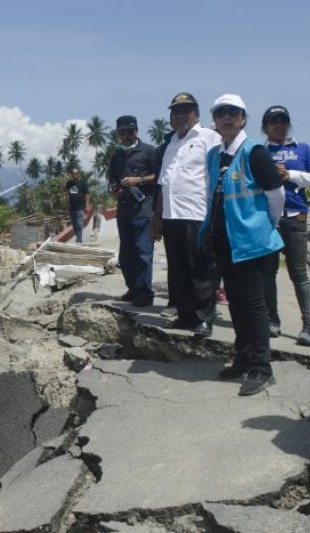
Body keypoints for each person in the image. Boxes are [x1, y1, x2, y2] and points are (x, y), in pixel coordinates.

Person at [199, 94, 285, 396]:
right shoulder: (214, 155)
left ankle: (262, 368)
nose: (226, 118)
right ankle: (243, 358)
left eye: (232, 113)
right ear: (215, 120)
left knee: (254, 306)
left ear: (243, 118)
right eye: (221, 113)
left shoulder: (254, 152)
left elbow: (276, 196)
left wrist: (265, 227)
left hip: (253, 243)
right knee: (235, 302)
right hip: (225, 243)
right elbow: (212, 197)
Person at [152, 92, 221, 337]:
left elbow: (217, 176)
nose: (180, 115)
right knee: (178, 269)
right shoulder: (171, 143)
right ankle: (185, 316)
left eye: (185, 110)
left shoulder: (209, 137)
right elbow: (164, 182)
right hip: (172, 216)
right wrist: (157, 217)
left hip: (197, 214)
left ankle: (203, 318)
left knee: (201, 268)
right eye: (175, 111)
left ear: (196, 114)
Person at [261, 105, 310, 346]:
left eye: (283, 120)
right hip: (268, 220)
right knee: (268, 273)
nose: (279, 125)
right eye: (273, 121)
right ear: (265, 127)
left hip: (296, 218)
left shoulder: (303, 149)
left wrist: (291, 175)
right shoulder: (259, 151)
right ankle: (272, 321)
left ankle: (309, 326)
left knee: (299, 274)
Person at [107, 115, 157, 306]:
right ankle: (133, 289)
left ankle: (145, 294)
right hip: (124, 210)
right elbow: (112, 179)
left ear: (137, 131)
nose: (126, 136)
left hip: (144, 209)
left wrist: (139, 181)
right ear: (118, 134)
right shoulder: (116, 156)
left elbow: (160, 176)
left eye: (130, 132)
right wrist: (114, 190)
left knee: (143, 252)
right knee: (126, 254)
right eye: (122, 133)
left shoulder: (149, 151)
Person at [64, 168, 89, 243]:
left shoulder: (83, 183)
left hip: (80, 207)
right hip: (71, 208)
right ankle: (78, 238)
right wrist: (65, 180)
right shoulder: (69, 183)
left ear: (78, 174)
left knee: (79, 224)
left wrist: (87, 205)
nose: (74, 175)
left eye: (75, 173)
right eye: (72, 173)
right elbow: (63, 190)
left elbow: (86, 195)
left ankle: (79, 241)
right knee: (74, 225)